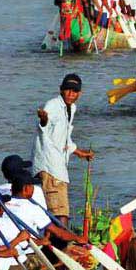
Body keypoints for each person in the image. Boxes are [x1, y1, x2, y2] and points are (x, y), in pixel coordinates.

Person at [31, 73, 94, 227]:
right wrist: (43, 119)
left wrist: (80, 152)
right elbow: (44, 126)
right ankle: (61, 245)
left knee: (56, 208)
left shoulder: (71, 108)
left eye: (74, 91)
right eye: (67, 90)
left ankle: (56, 241)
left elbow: (64, 137)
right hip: (51, 167)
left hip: (58, 165)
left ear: (80, 93)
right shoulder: (52, 105)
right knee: (60, 211)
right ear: (61, 90)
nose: (71, 94)